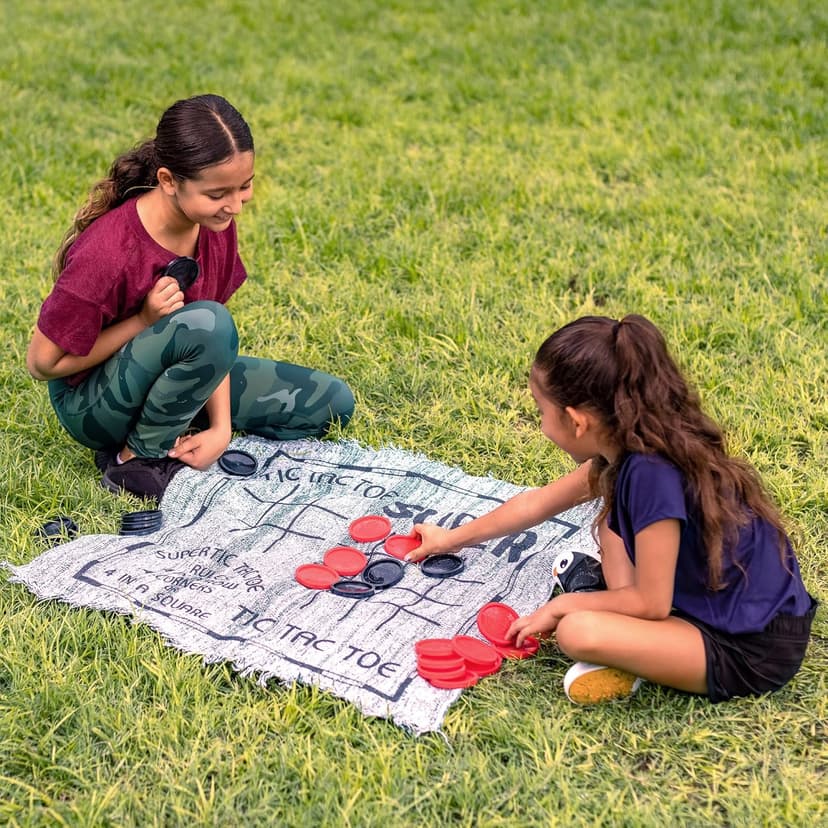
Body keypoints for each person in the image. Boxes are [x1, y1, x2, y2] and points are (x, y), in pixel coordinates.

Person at [408, 315, 816, 705]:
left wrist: (563, 605)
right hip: (712, 601)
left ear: (576, 421)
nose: (540, 424)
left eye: (540, 411)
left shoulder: (650, 475)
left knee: (576, 631)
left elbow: (652, 604)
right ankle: (633, 636)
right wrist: (450, 538)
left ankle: (632, 651)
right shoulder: (634, 441)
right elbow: (535, 503)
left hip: (748, 646)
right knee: (610, 526)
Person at [26, 94, 354, 500]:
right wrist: (142, 321)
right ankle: (134, 460)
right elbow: (42, 364)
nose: (234, 205)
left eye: (245, 186)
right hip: (91, 403)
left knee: (330, 402)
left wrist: (221, 428)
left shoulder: (213, 224)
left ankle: (172, 424)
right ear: (168, 181)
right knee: (207, 323)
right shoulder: (108, 251)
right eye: (218, 194)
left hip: (166, 374)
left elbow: (215, 341)